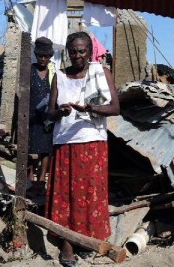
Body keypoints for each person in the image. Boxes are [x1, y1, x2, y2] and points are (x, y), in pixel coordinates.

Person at [45, 31, 120, 266]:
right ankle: (67, 243)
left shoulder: (101, 73)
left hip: (93, 142)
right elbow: (49, 113)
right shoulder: (59, 76)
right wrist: (61, 112)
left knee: (90, 193)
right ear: (67, 52)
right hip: (65, 143)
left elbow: (115, 108)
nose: (77, 56)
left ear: (90, 52)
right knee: (65, 194)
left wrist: (90, 109)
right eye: (73, 51)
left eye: (82, 51)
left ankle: (87, 239)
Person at [28, 37, 55, 195]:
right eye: (40, 56)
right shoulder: (29, 70)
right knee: (31, 145)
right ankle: (30, 175)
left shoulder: (53, 72)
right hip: (31, 114)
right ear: (36, 55)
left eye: (46, 56)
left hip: (47, 115)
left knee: (46, 147)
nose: (43, 59)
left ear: (50, 57)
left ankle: (42, 177)